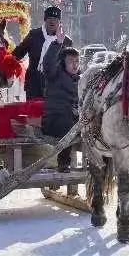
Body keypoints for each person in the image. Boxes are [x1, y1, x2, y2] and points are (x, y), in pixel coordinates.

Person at [41, 25, 80, 172]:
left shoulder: (79, 79)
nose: (75, 65)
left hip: (75, 118)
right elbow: (48, 64)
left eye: (77, 61)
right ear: (63, 62)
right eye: (71, 61)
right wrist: (57, 43)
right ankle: (64, 162)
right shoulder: (55, 75)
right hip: (54, 119)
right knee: (68, 122)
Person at [11, 6, 73, 99]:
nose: (52, 22)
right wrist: (7, 62)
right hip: (33, 84)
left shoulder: (66, 41)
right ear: (45, 20)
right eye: (49, 19)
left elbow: (69, 66)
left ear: (60, 22)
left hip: (55, 86)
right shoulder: (34, 35)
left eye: (55, 19)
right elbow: (17, 54)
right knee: (33, 112)